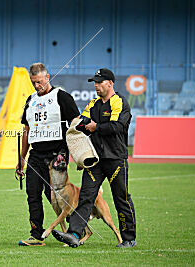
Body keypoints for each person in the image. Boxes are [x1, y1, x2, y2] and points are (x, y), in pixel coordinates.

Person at [51, 68, 137, 248]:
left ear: (110, 83)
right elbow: (83, 121)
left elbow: (117, 127)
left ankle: (129, 238)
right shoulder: (93, 104)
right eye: (95, 83)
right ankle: (74, 234)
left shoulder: (119, 102)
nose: (96, 86)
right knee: (86, 196)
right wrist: (80, 125)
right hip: (95, 160)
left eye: (99, 82)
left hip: (115, 159)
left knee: (120, 197)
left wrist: (95, 127)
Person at [17, 63, 80, 246]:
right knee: (32, 193)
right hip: (36, 155)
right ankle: (36, 235)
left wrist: (77, 153)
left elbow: (75, 124)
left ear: (48, 77)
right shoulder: (30, 100)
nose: (37, 86)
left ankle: (75, 227)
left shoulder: (62, 97)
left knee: (56, 196)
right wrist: (22, 158)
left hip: (57, 154)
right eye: (33, 82)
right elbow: (27, 131)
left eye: (39, 82)